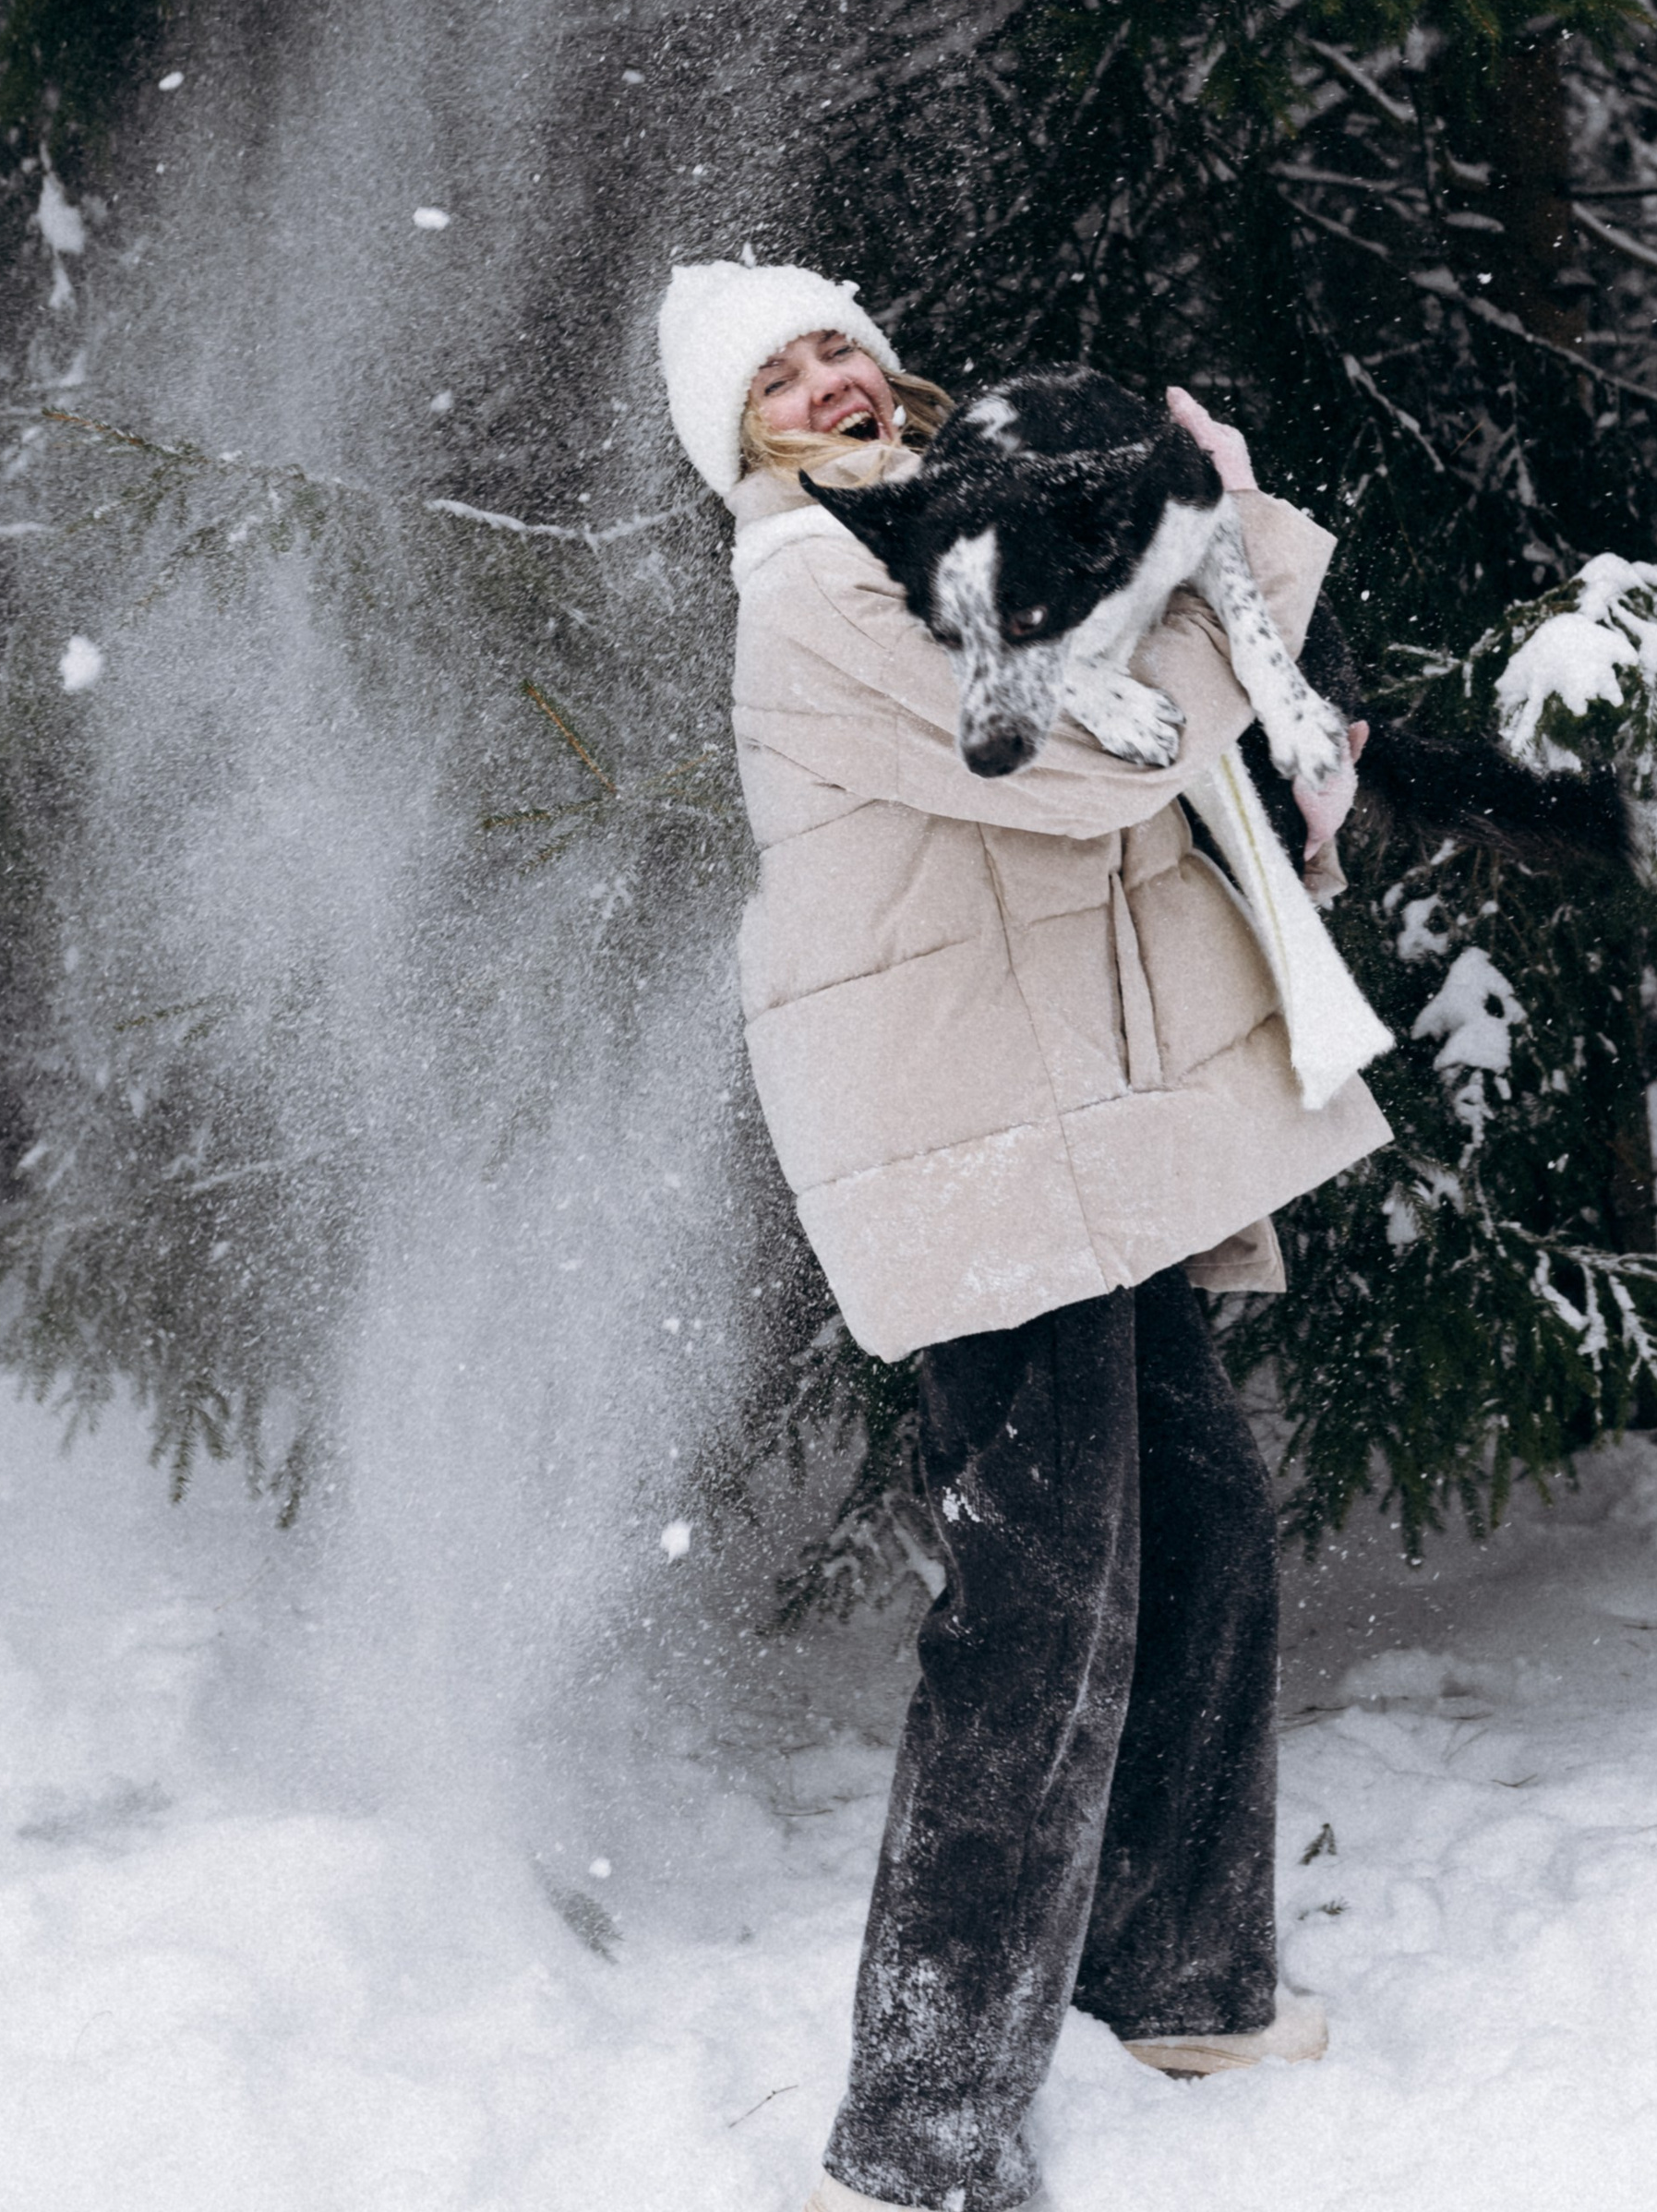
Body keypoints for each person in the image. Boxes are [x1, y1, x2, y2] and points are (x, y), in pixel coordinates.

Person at [656, 259, 1390, 2212]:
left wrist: (1215, 516)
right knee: (1033, 1622)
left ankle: (1175, 1974)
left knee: (1204, 1526)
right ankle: (923, 2122)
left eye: (836, 347)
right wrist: (1171, 563)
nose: (822, 381)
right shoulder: (817, 584)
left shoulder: (942, 536)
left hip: (1066, 1133)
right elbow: (1072, 754)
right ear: (732, 440)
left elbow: (1207, 666)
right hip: (966, 1146)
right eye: (774, 377)